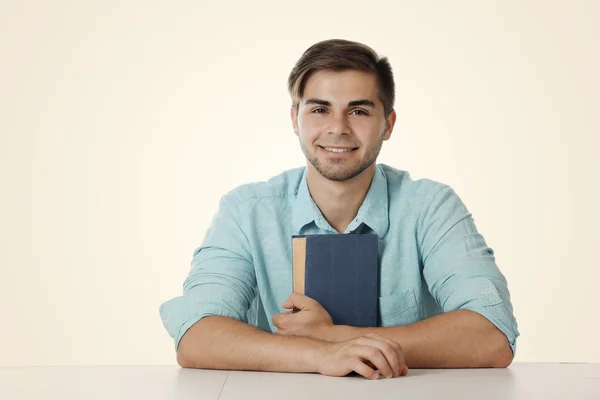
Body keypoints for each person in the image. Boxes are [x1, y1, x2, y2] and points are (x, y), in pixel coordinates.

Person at [159, 39, 519, 380]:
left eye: (359, 111)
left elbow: (491, 335)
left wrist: (334, 336)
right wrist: (321, 355)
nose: (338, 128)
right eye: (320, 109)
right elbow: (196, 336)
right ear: (294, 118)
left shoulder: (430, 207)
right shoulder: (245, 211)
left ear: (388, 125)